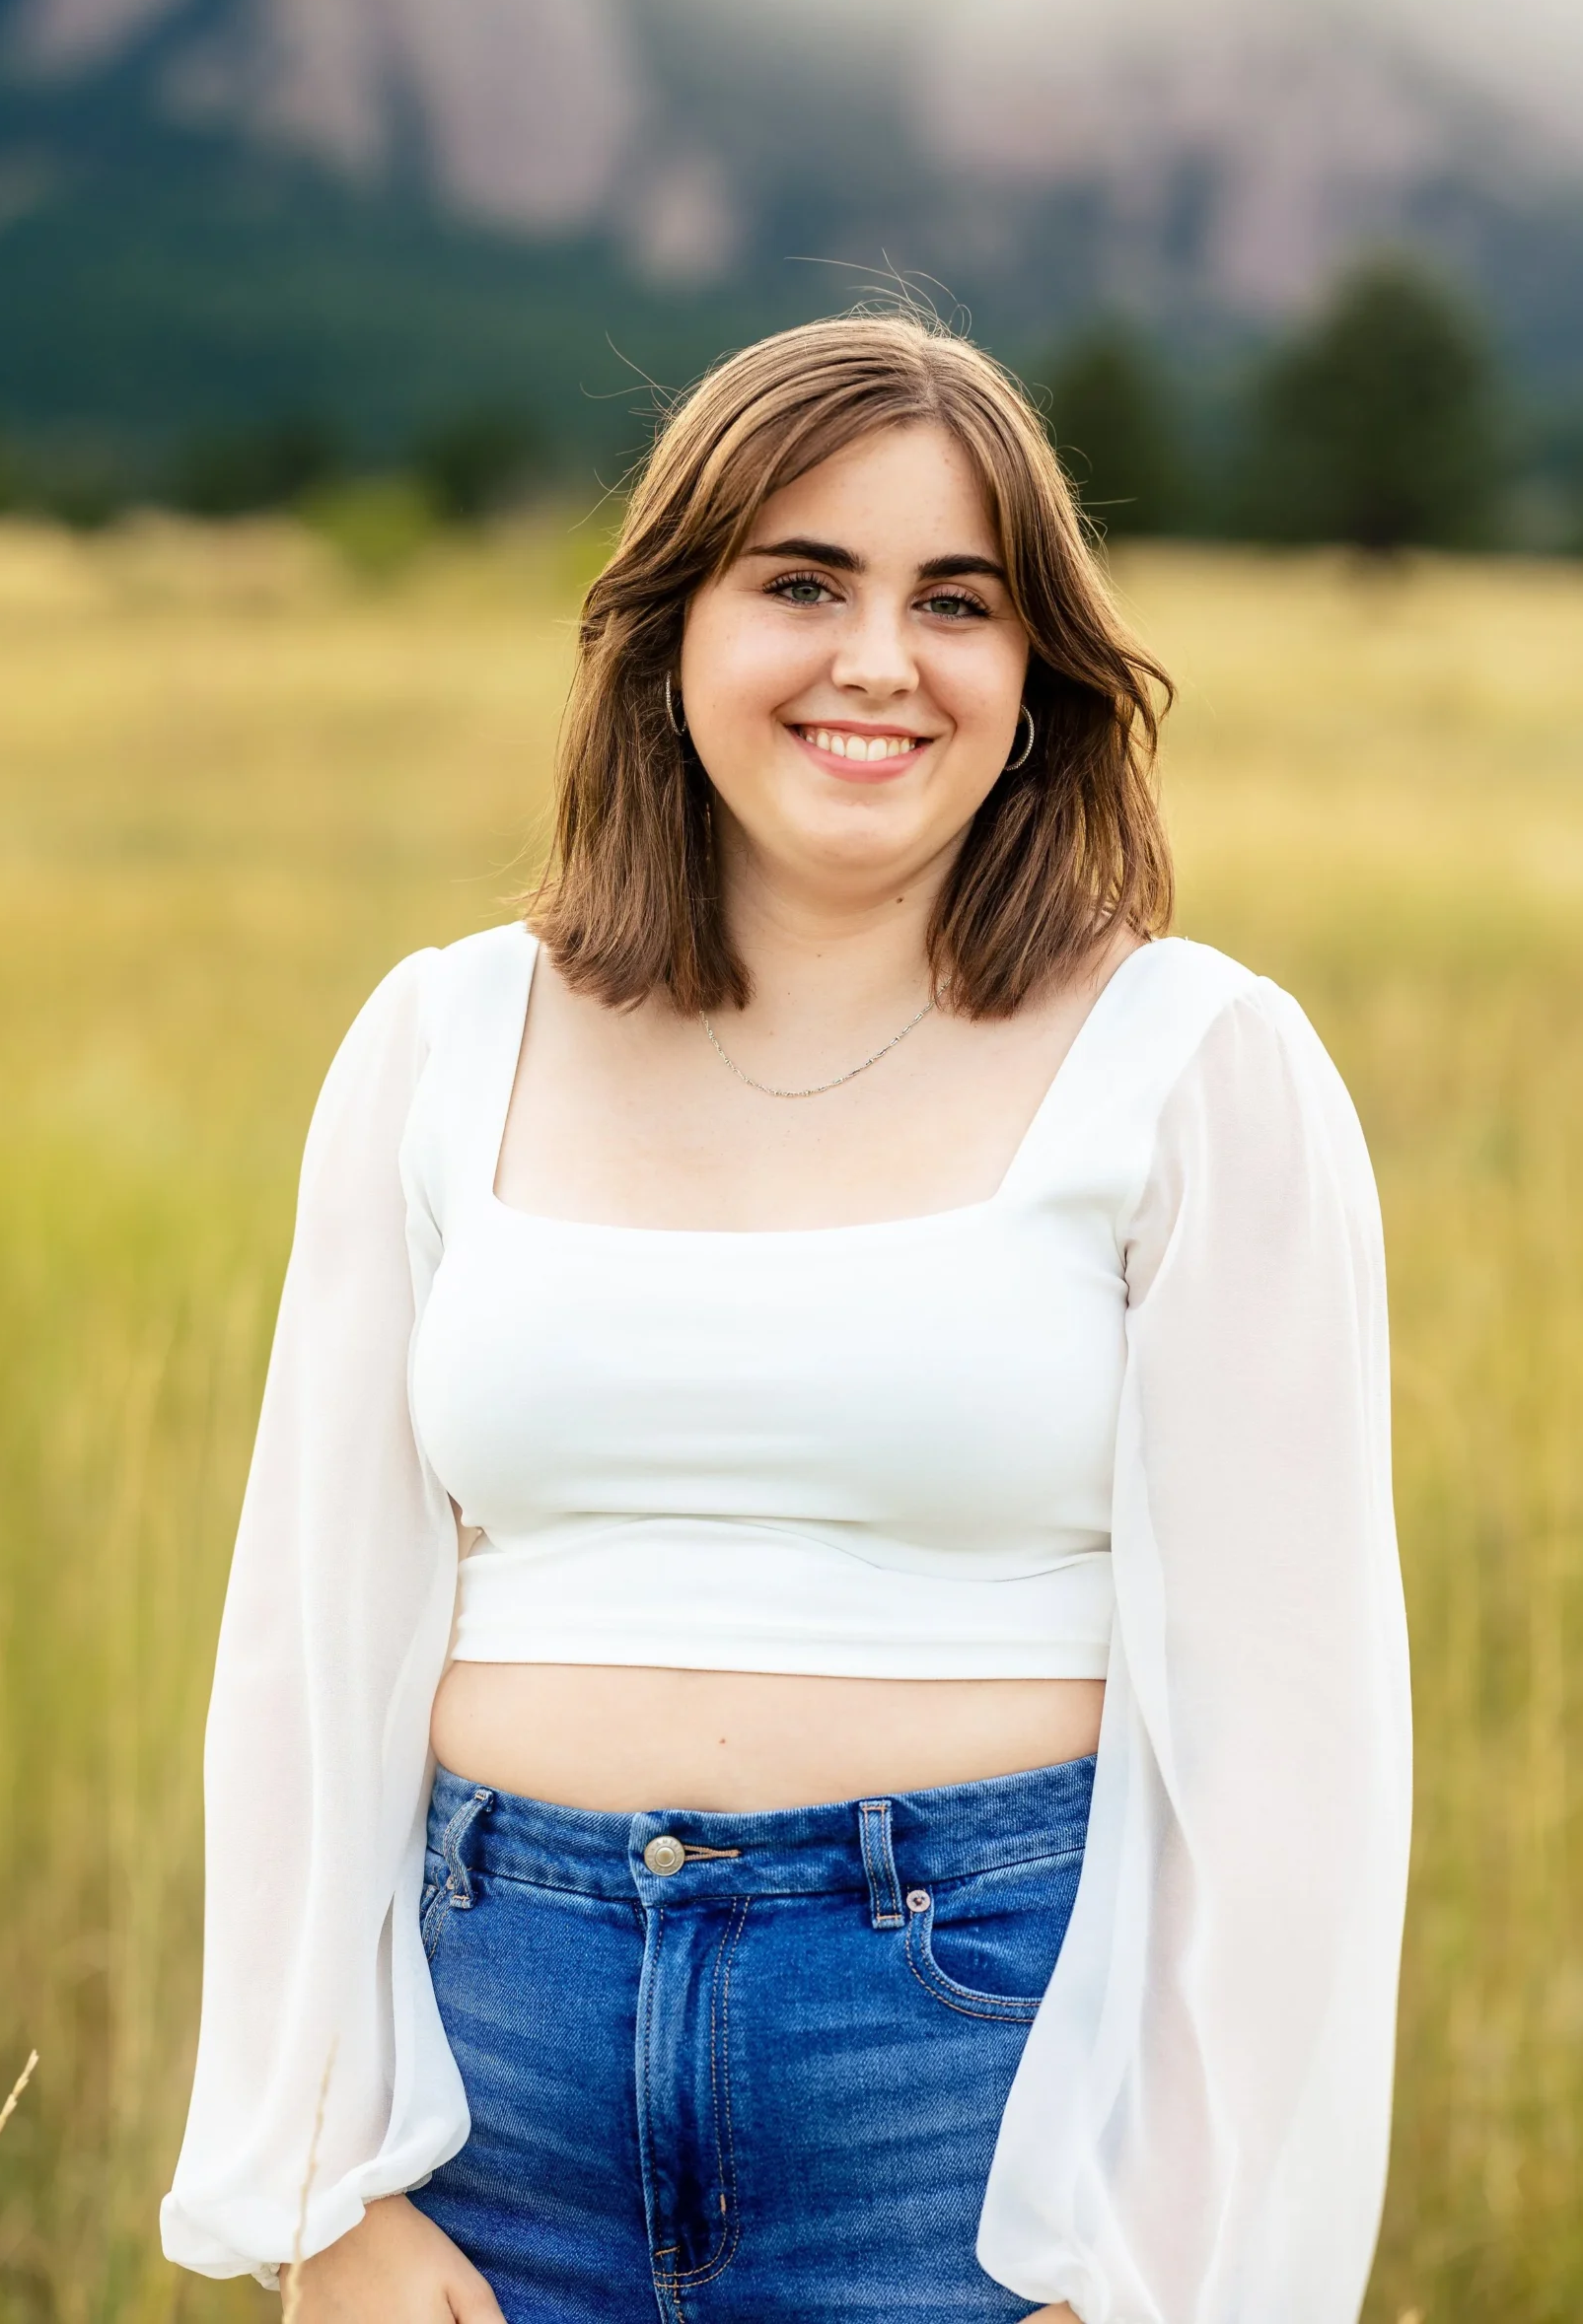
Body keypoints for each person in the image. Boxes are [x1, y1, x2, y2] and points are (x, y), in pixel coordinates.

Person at [161, 313, 1409, 2324]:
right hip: (489, 2090)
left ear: (1036, 675)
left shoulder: (1195, 1064)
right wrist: (324, 2181)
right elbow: (308, 1636)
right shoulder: (440, 1038)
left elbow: (1294, 1768)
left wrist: (1162, 2273)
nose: (876, 659)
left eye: (957, 599)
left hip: (972, 2099)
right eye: (801, 581)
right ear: (668, 634)